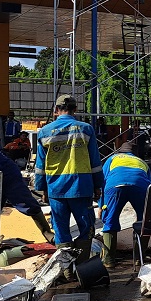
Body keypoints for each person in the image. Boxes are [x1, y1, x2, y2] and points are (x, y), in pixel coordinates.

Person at [34, 95, 103, 255]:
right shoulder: (85, 129)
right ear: (75, 110)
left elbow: (40, 166)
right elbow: (95, 162)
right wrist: (98, 185)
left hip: (56, 189)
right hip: (82, 187)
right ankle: (82, 265)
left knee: (61, 230)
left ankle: (66, 271)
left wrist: (42, 189)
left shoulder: (44, 132)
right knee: (87, 227)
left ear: (56, 110)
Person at [99, 142, 151, 268]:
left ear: (120, 151)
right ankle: (139, 258)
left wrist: (102, 205)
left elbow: (102, 180)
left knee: (110, 220)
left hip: (115, 186)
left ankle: (108, 260)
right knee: (143, 221)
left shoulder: (112, 158)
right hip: (140, 187)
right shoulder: (142, 162)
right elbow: (150, 184)